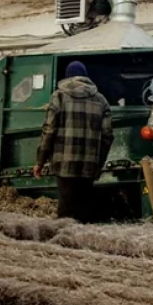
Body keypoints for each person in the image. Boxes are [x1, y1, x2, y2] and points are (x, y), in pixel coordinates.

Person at [34, 61, 114, 222]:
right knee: (84, 211)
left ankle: (63, 242)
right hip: (89, 164)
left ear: (67, 77)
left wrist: (40, 161)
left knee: (65, 209)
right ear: (85, 77)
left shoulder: (59, 96)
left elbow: (49, 129)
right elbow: (107, 135)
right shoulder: (101, 100)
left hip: (64, 163)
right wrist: (99, 163)